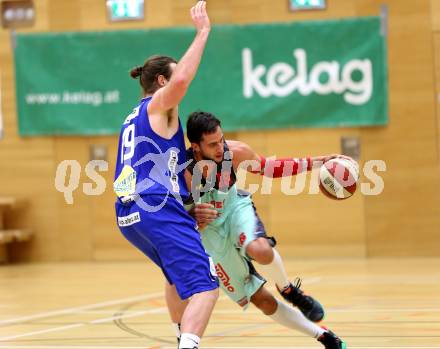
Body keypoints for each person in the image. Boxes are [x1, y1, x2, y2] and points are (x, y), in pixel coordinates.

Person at [163, 110, 347, 348]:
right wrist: (191, 214)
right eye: (212, 144)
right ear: (196, 146)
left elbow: (272, 168)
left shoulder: (235, 152)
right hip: (209, 233)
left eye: (221, 140)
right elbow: (170, 216)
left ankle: (289, 290)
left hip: (233, 208)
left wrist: (319, 161)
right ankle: (324, 336)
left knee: (260, 249)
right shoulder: (184, 172)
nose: (220, 148)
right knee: (263, 301)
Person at [113, 3, 219, 349]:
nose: (178, 85)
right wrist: (202, 32)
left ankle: (179, 337)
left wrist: (184, 210)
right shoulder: (160, 106)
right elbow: (183, 79)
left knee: (176, 279)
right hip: (154, 208)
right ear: (161, 82)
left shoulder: (133, 118)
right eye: (171, 79)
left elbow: (152, 172)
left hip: (129, 215)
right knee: (207, 284)